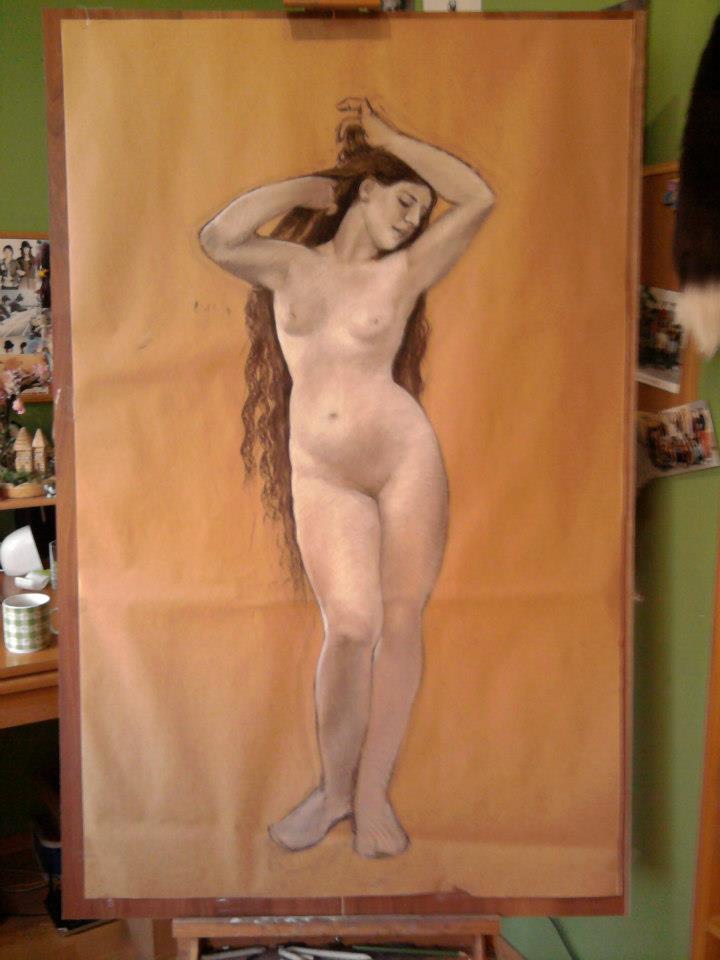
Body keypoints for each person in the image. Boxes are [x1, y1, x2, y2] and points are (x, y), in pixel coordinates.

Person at [200, 98, 495, 859]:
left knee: (401, 621)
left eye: (421, 210)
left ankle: (372, 798)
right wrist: (300, 190)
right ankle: (334, 791)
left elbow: (477, 197)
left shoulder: (407, 272)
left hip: (403, 460)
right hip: (324, 473)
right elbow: (218, 237)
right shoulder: (291, 266)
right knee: (352, 627)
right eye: (403, 199)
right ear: (365, 191)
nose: (414, 218)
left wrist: (394, 140)